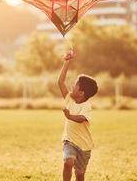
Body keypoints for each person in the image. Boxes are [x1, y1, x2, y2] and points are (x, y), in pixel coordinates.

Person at [57, 50, 98, 181]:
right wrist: (67, 62)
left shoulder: (86, 106)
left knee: (80, 174)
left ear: (81, 93)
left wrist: (70, 117)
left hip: (84, 147)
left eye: (75, 85)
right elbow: (60, 82)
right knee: (68, 162)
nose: (72, 87)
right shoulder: (69, 98)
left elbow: (81, 119)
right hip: (69, 141)